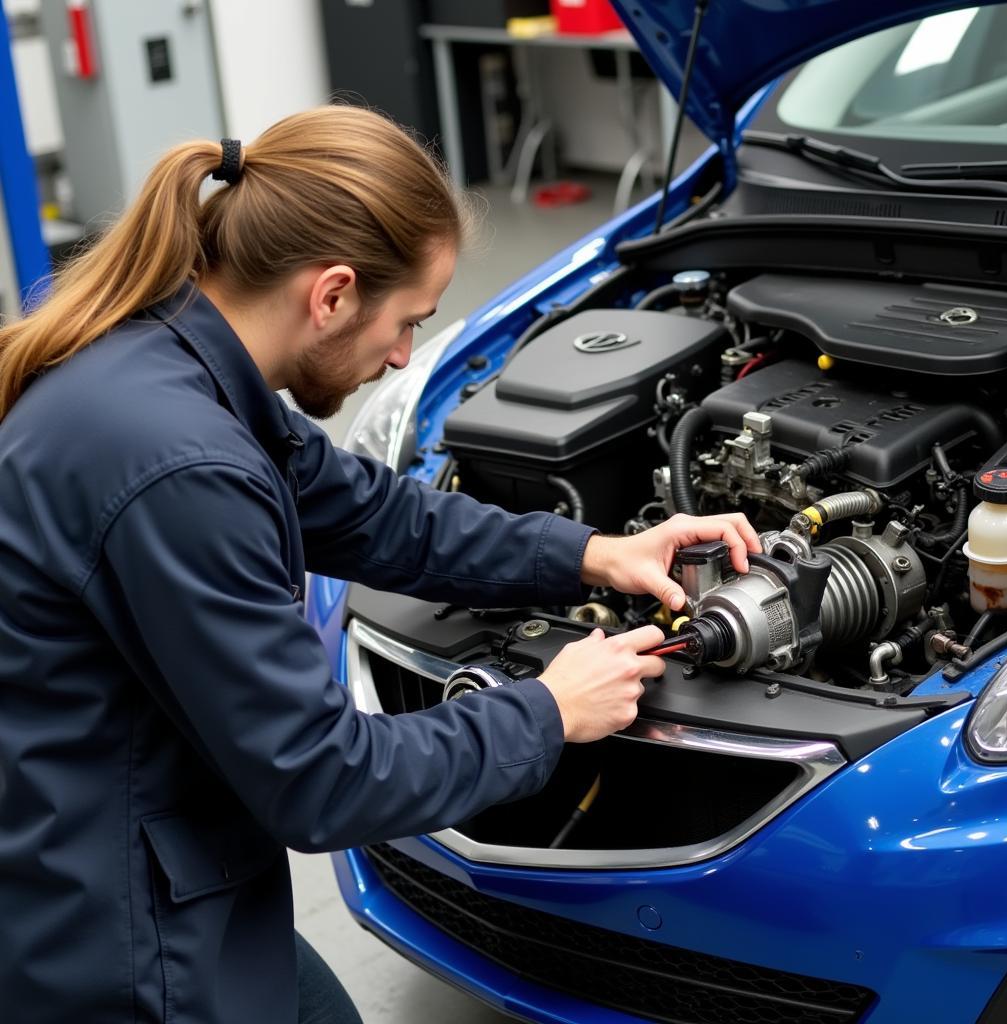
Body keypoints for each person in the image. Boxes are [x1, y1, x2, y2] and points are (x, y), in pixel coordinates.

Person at [0, 105, 759, 1024]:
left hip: (145, 847)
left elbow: (375, 515)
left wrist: (595, 553)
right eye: (407, 323)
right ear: (332, 294)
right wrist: (547, 711)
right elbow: (320, 780)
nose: (404, 355)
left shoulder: (181, 359)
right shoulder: (183, 465)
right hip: (117, 941)